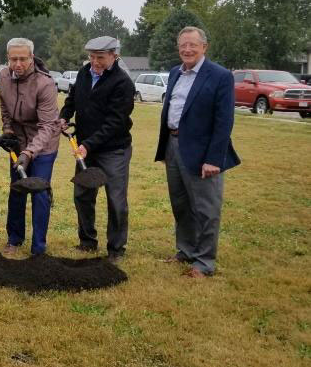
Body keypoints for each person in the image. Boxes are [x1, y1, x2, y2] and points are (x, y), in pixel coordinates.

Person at [155, 26, 240, 278]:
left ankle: (204, 262)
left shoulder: (220, 76)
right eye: (183, 45)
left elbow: (224, 121)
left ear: (204, 47)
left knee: (205, 208)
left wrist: (214, 158)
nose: (187, 49)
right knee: (180, 204)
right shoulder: (174, 73)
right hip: (173, 146)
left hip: (203, 152)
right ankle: (186, 250)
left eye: (192, 45)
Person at [57, 36, 134, 262]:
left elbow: (115, 122)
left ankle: (116, 249)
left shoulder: (122, 83)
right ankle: (87, 241)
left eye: (100, 57)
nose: (95, 62)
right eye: (91, 57)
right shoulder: (84, 73)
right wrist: (64, 116)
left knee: (116, 200)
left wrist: (88, 145)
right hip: (86, 147)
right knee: (82, 195)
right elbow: (73, 98)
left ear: (114, 56)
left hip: (113, 150)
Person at [0, 38, 60, 256]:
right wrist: (7, 130)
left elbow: (47, 126)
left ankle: (38, 248)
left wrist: (29, 153)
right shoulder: (4, 76)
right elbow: (5, 107)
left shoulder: (45, 84)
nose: (18, 64)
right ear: (8, 58)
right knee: (17, 190)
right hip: (18, 143)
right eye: (13, 59)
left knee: (39, 193)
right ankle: (14, 239)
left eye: (23, 59)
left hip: (43, 145)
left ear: (31, 58)